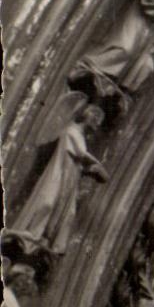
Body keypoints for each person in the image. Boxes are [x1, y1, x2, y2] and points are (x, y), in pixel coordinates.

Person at [12, 101, 108, 258]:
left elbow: (80, 158)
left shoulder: (80, 135)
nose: (97, 125)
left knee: (67, 212)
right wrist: (98, 165)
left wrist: (91, 171)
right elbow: (81, 153)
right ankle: (30, 235)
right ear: (88, 116)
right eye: (96, 120)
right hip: (60, 171)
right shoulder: (71, 130)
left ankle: (50, 241)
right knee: (47, 201)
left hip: (71, 175)